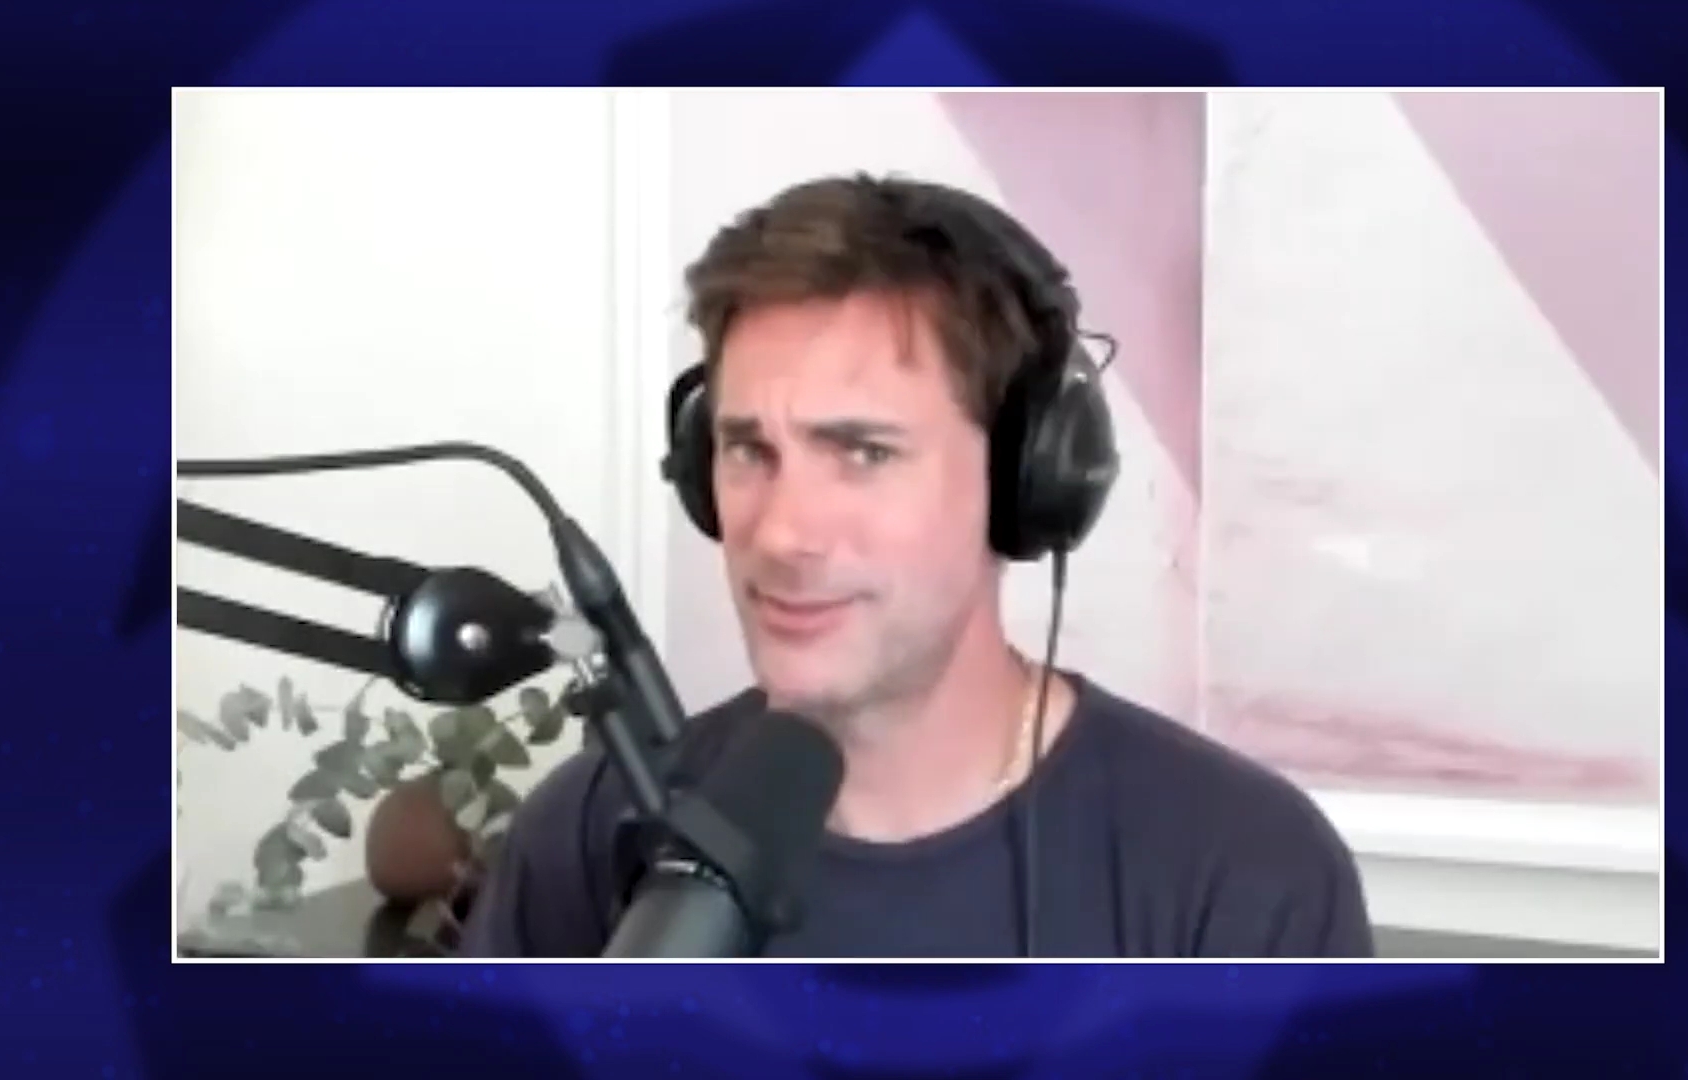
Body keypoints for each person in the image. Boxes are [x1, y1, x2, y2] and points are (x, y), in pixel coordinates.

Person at [460, 173, 1372, 958]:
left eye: (864, 453)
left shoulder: (1243, 873)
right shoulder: (589, 836)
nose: (782, 534)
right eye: (748, 450)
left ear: (1023, 478)